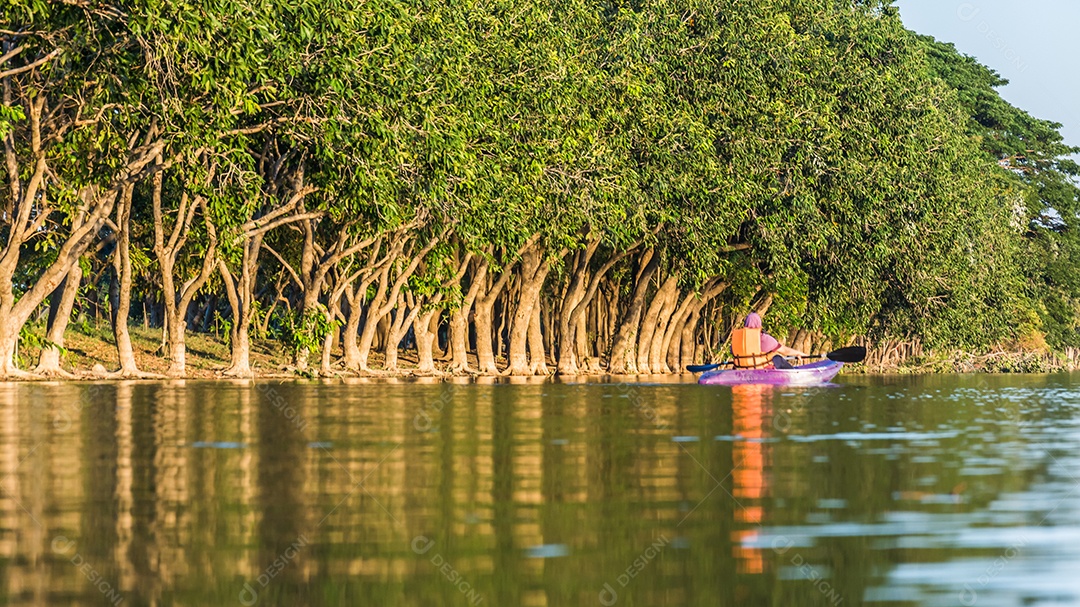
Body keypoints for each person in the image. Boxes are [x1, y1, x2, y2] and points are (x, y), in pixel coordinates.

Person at [730, 312, 807, 369]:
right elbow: (784, 350)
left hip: (741, 372)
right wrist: (798, 353)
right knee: (777, 358)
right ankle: (792, 374)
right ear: (759, 325)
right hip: (762, 372)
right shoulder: (764, 338)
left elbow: (733, 352)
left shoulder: (737, 341)